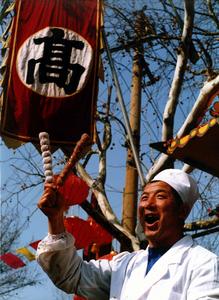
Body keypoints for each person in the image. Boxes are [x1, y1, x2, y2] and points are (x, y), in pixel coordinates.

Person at [36, 169, 219, 299]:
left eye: (160, 196)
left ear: (182, 211)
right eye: (144, 197)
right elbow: (71, 275)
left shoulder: (203, 263)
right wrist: (55, 218)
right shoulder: (124, 265)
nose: (148, 204)